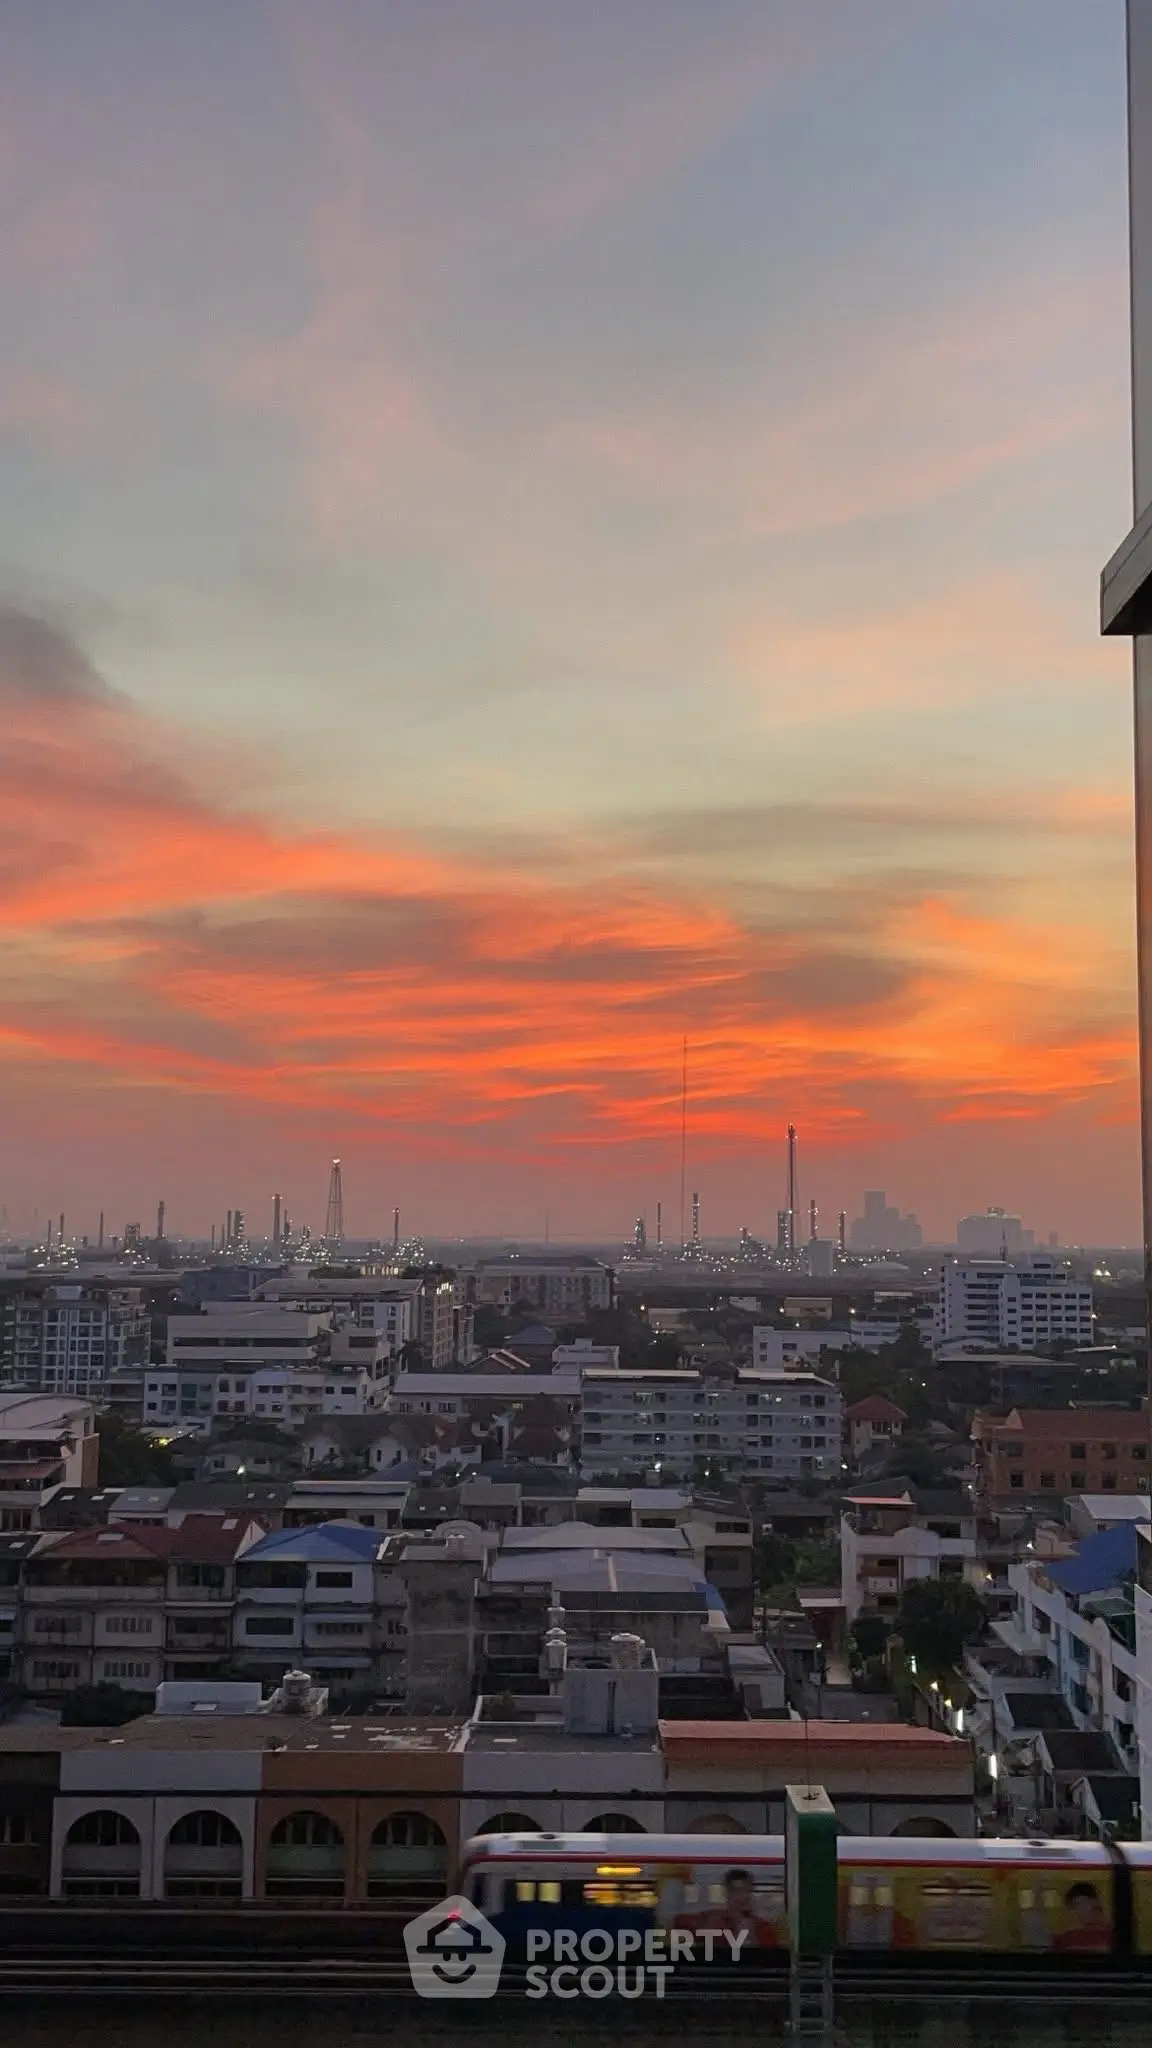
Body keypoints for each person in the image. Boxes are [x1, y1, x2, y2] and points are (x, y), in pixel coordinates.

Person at [674, 1867, 781, 1949]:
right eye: (736, 1891)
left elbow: (770, 1955)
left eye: (746, 1891)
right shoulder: (713, 1919)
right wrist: (705, 1928)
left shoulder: (762, 1926)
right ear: (727, 1893)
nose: (742, 1896)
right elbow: (679, 1926)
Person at [1052, 1881, 1111, 1953]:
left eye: (1086, 1903)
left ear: (1096, 1903)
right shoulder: (1063, 1939)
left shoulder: (1112, 1936)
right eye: (1077, 1905)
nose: (1083, 1910)